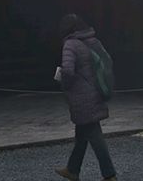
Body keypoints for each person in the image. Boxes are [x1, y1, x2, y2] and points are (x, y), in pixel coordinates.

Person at [55, 14, 118, 181]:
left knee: (95, 136)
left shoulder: (70, 44)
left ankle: (109, 174)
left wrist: (63, 82)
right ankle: (72, 170)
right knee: (81, 135)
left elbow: (68, 70)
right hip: (95, 92)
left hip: (82, 97)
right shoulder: (92, 40)